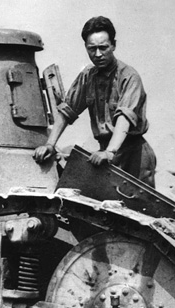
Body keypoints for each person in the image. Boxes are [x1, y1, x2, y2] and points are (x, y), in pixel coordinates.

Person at [34, 16, 157, 187]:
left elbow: (124, 119)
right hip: (104, 152)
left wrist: (109, 152)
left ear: (114, 45)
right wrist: (49, 144)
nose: (98, 54)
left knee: (140, 210)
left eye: (103, 47)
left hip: (133, 155)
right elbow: (67, 110)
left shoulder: (129, 77)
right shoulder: (87, 76)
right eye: (92, 49)